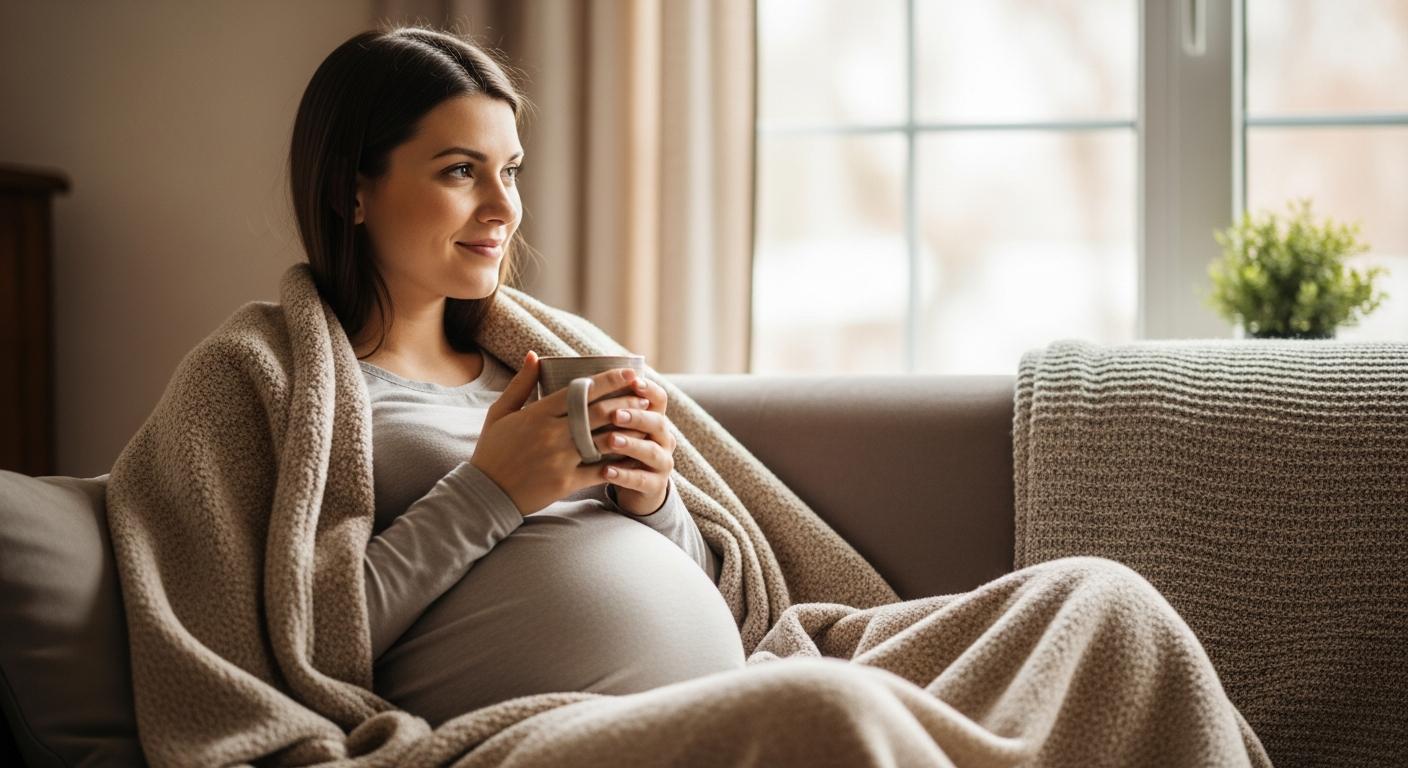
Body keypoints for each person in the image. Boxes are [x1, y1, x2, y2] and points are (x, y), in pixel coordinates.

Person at [288, 26, 746, 725]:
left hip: (721, 701)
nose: (503, 209)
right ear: (353, 193)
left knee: (976, 624)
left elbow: (716, 600)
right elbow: (299, 644)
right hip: (552, 735)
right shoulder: (303, 396)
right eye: (460, 171)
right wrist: (488, 492)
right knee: (841, 707)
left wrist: (652, 502)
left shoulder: (538, 363)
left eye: (511, 171)